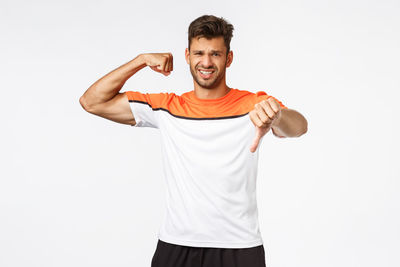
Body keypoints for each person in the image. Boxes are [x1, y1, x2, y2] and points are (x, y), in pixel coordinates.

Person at [79, 14, 307, 267]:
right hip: (176, 244)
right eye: (199, 53)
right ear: (187, 56)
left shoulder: (254, 104)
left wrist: (276, 117)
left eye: (215, 54)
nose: (206, 62)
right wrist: (140, 61)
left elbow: (299, 127)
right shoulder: (167, 106)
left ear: (228, 58)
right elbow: (92, 102)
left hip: (239, 247)